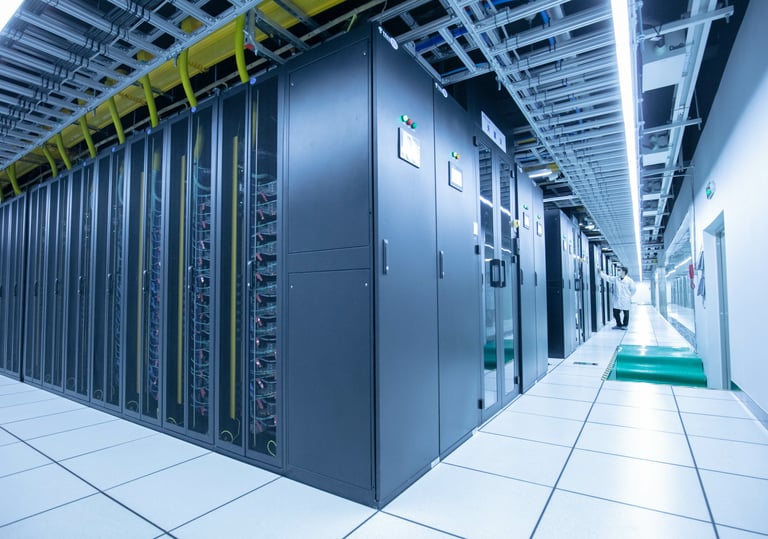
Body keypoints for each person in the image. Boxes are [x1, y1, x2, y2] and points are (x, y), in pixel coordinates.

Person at [600, 265, 636, 330]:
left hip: (625, 299)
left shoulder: (629, 280)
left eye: (620, 270)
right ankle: (619, 324)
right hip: (617, 299)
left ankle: (625, 325)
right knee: (615, 312)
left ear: (624, 272)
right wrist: (600, 273)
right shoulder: (616, 279)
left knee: (626, 313)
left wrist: (629, 296)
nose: (619, 272)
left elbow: (633, 289)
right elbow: (608, 278)